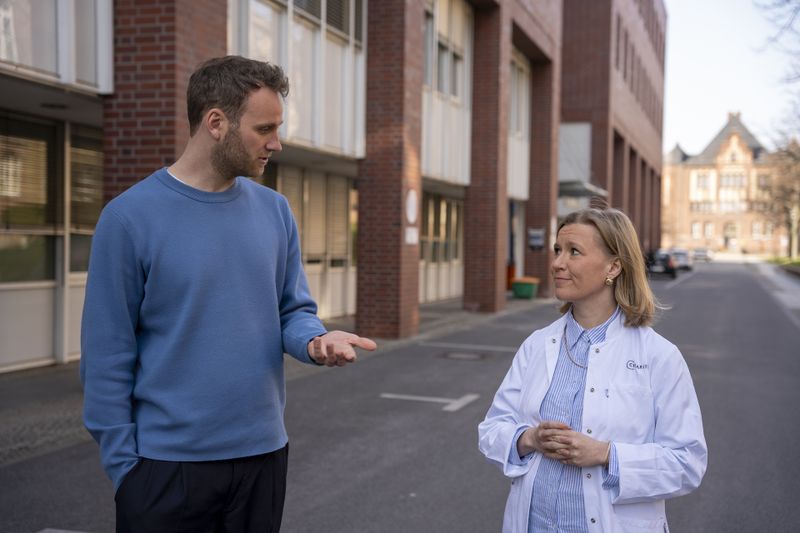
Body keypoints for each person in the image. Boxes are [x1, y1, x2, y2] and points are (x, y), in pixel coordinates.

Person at [80, 55, 376, 532]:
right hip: (163, 470)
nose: (276, 143)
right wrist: (125, 471)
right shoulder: (128, 219)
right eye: (264, 129)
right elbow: (106, 356)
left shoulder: (275, 211)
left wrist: (314, 342)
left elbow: (292, 310)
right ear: (216, 122)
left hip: (263, 459)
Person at [478, 207, 706, 532]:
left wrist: (606, 454)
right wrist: (529, 438)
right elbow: (491, 430)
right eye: (558, 250)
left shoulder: (659, 357)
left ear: (613, 266)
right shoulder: (537, 345)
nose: (558, 262)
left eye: (574, 252)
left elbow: (687, 464)